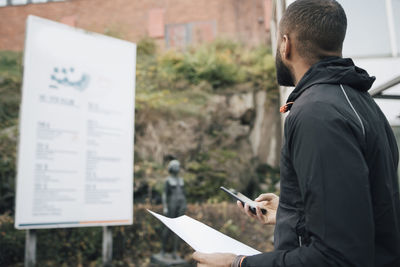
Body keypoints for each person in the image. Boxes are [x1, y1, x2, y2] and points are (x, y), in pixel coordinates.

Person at [192, 0, 400, 266]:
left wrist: (238, 264)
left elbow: (337, 257)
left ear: (285, 44)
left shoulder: (317, 113)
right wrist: (291, 213)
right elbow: (358, 215)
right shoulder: (361, 102)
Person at [161, 159, 187, 258]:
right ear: (171, 168)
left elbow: (183, 193)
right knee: (168, 227)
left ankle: (175, 251)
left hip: (181, 204)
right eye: (176, 166)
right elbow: (164, 194)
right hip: (172, 204)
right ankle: (163, 250)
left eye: (178, 166)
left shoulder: (181, 180)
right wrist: (165, 207)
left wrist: (185, 204)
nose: (178, 168)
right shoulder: (168, 180)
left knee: (178, 228)